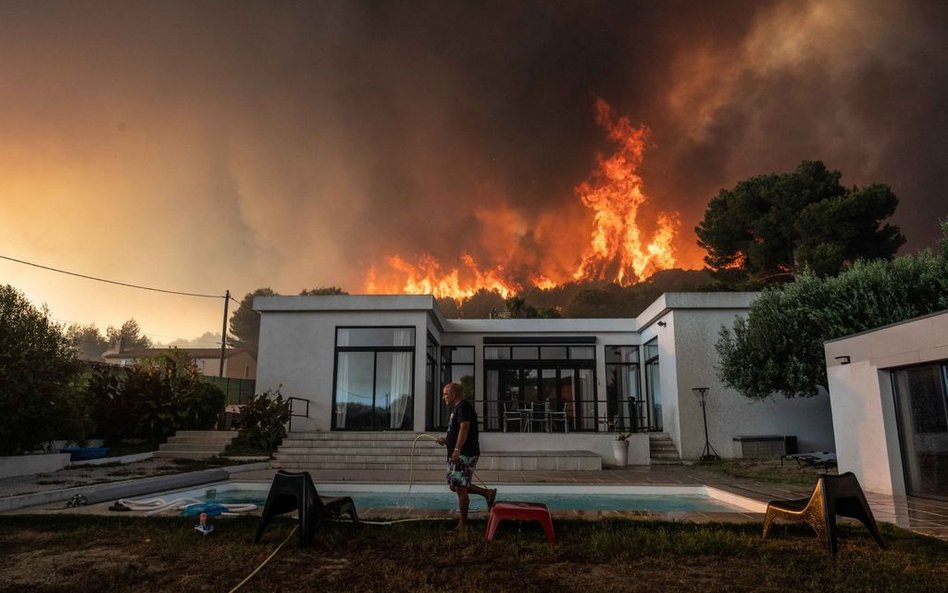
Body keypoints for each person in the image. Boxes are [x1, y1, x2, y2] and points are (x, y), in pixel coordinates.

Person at [436, 382, 496, 532]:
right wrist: (447, 440)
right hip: (457, 452)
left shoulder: (463, 407)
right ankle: (487, 493)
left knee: (460, 487)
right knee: (454, 486)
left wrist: (457, 448)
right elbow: (457, 430)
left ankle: (463, 525)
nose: (443, 397)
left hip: (465, 453)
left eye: (445, 394)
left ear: (454, 394)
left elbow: (465, 427)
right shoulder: (457, 409)